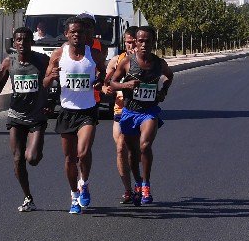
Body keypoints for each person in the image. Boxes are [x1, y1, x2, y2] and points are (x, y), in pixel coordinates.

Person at [44, 16, 107, 214]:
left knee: (83, 152)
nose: (76, 35)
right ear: (66, 34)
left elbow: (103, 72)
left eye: (80, 32)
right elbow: (45, 82)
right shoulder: (58, 54)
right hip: (66, 111)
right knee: (70, 158)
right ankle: (73, 195)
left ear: (85, 34)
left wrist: (99, 80)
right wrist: (51, 77)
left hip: (88, 111)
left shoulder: (94, 54)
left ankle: (84, 183)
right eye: (73, 32)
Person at [110, 25, 173, 205]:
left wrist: (163, 91)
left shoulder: (159, 63)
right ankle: (137, 183)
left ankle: (146, 185)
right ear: (135, 43)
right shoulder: (128, 62)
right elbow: (113, 83)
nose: (144, 44)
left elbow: (169, 76)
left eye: (148, 41)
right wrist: (126, 86)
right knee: (132, 153)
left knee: (145, 146)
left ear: (153, 42)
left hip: (149, 112)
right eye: (141, 41)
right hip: (130, 112)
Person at [0, 27, 50, 212]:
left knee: (32, 159)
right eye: (19, 40)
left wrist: (51, 102)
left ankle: (36, 149)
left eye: (26, 40)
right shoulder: (9, 62)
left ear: (31, 42)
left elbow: (53, 82)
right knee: (17, 159)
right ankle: (27, 197)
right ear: (14, 43)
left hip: (36, 116)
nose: (22, 44)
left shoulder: (42, 60)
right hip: (16, 116)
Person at [103, 26, 139, 203]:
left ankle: (140, 183)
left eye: (133, 42)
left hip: (139, 112)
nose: (130, 45)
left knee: (135, 153)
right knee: (120, 149)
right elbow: (105, 83)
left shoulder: (146, 62)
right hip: (120, 111)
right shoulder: (117, 60)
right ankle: (128, 190)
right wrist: (106, 89)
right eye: (127, 41)